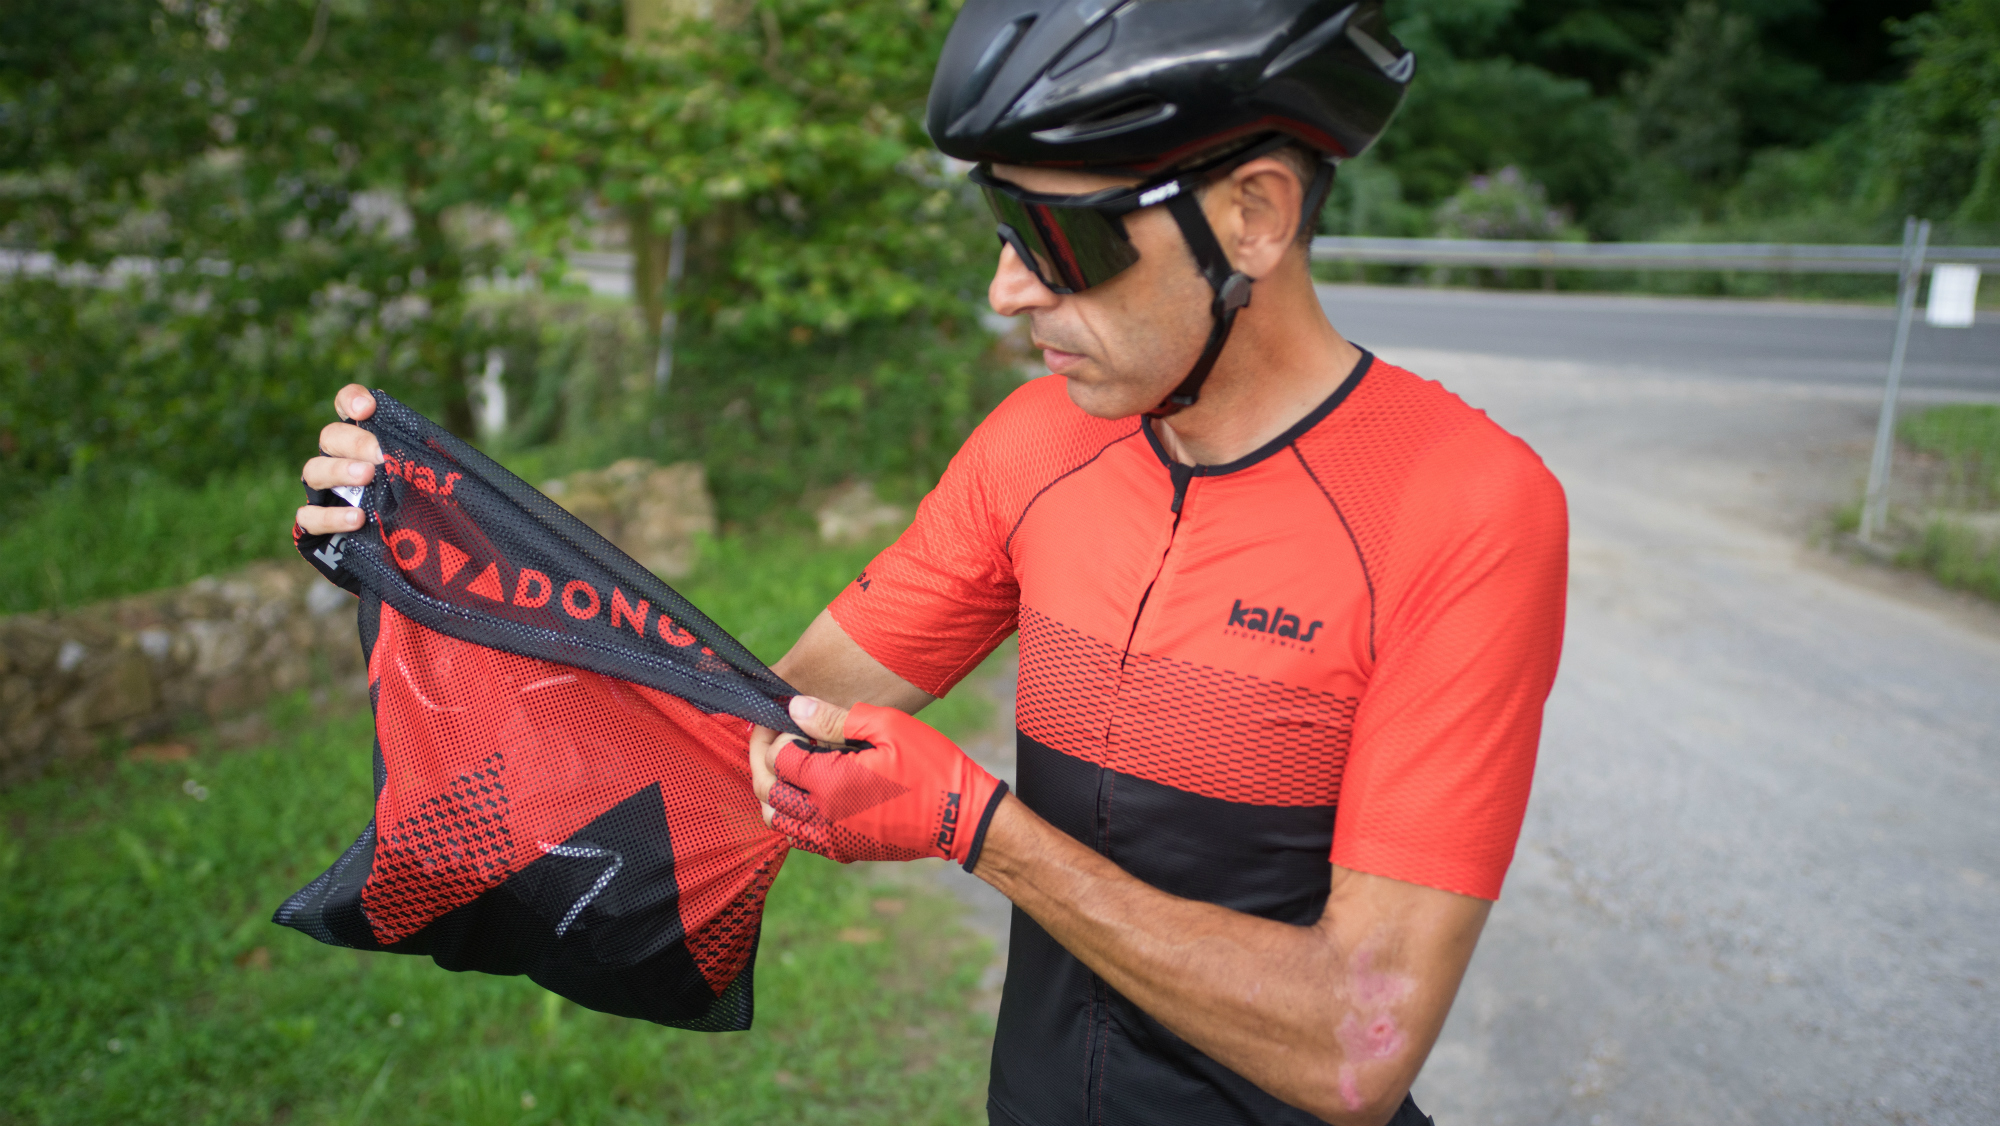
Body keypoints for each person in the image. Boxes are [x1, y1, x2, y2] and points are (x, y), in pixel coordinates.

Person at [297, 3, 1568, 1123]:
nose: (1007, 290)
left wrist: (981, 831)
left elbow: (1354, 1050)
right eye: (993, 222)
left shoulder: (1462, 506)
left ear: (1252, 215)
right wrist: (440, 558)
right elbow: (730, 739)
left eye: (1052, 237)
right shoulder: (1036, 447)